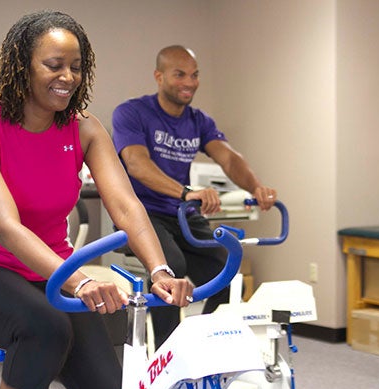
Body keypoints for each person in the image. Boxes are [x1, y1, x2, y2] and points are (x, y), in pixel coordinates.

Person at [0, 12, 193, 389]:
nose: (68, 77)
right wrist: (82, 281)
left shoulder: (85, 128)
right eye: (54, 65)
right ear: (22, 65)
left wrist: (159, 269)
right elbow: (7, 227)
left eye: (76, 67)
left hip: (54, 272)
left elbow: (126, 206)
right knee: (46, 326)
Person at [111, 45, 278, 350]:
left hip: (181, 215)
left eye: (194, 75)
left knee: (226, 267)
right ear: (159, 76)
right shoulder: (132, 112)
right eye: (179, 74)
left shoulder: (199, 121)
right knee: (170, 267)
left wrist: (255, 187)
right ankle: (166, 354)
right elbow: (136, 164)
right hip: (141, 215)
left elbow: (228, 158)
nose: (189, 82)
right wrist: (188, 192)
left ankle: (200, 344)